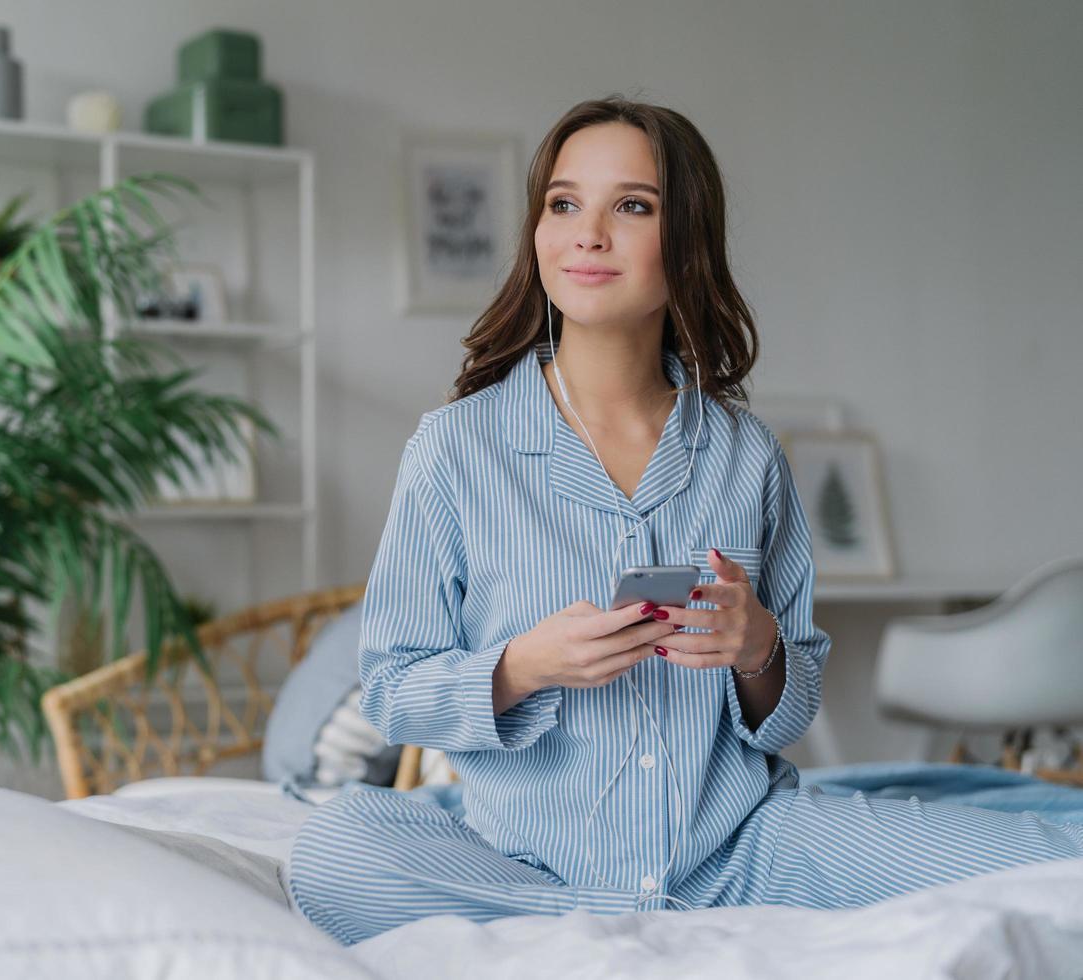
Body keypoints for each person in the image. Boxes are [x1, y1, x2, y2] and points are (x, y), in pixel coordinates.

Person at [286, 95, 1083, 947]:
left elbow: (794, 700)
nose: (588, 233)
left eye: (632, 205)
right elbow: (395, 690)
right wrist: (521, 666)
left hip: (752, 848)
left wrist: (757, 649)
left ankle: (641, 928)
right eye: (563, 204)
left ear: (687, 241)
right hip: (531, 863)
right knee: (334, 854)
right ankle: (625, 925)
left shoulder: (747, 454)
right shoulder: (454, 449)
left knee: (1051, 861)